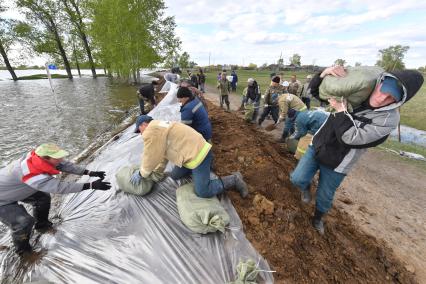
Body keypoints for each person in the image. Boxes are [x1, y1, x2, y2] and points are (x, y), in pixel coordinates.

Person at [290, 65, 424, 235]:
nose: (382, 98)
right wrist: (323, 74)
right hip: (318, 146)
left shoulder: (388, 120)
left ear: (399, 101)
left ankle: (317, 218)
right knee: (297, 179)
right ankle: (305, 186)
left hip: (339, 162)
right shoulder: (357, 90)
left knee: (325, 197)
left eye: (391, 98)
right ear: (379, 84)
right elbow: (317, 93)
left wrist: (340, 111)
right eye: (384, 90)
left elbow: (352, 138)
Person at [0, 143, 111, 256]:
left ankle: (42, 225)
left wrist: (89, 172)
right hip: (2, 200)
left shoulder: (38, 158)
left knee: (43, 197)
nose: (61, 159)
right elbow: (60, 187)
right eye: (57, 157)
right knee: (24, 222)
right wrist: (91, 185)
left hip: (14, 188)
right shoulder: (32, 175)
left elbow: (63, 165)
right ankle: (24, 252)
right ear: (45, 158)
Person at [131, 115, 249, 199]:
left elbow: (150, 156)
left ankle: (234, 179)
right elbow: (161, 154)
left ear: (144, 124)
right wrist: (157, 173)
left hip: (199, 155)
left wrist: (142, 173)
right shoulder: (159, 126)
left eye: (139, 130)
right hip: (192, 151)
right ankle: (198, 170)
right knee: (174, 175)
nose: (141, 134)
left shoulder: (150, 130)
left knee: (203, 191)